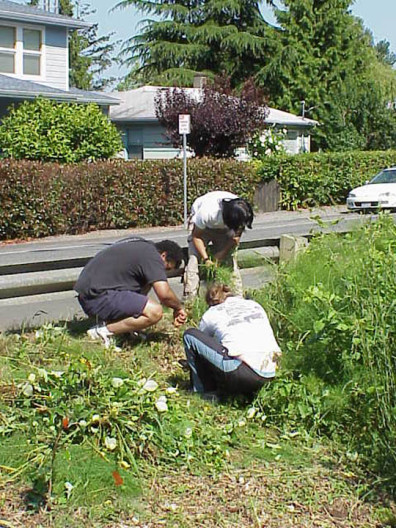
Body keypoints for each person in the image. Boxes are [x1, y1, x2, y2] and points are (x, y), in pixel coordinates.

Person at [75, 237, 187, 349]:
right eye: (166, 268)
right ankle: (101, 332)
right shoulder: (152, 256)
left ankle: (125, 330)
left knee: (147, 286)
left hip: (91, 295)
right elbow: (164, 295)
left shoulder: (143, 249)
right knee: (154, 312)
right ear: (163, 255)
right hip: (96, 298)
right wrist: (178, 308)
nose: (164, 272)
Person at [183, 283, 281, 397]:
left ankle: (202, 391)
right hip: (272, 371)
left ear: (211, 302)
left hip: (245, 373)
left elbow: (202, 347)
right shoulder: (254, 305)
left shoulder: (212, 312)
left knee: (190, 335)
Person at [183, 191, 253, 298]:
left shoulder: (242, 213)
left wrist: (221, 254)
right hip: (201, 228)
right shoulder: (208, 213)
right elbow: (196, 237)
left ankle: (236, 298)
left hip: (225, 227)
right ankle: (190, 302)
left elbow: (235, 238)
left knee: (229, 263)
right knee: (194, 261)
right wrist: (206, 259)